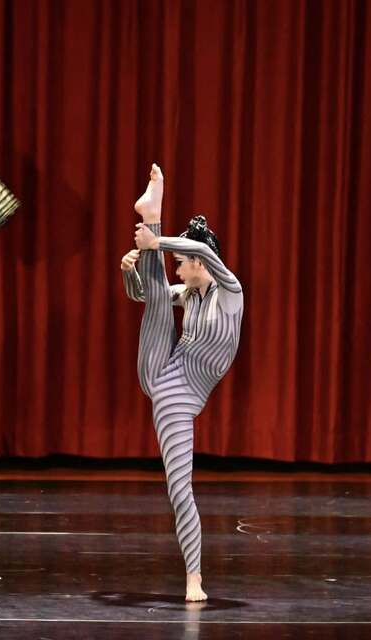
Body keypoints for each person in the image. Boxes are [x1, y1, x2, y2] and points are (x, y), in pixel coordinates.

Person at [121, 163, 244, 601]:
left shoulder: (231, 291)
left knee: (179, 488)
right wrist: (130, 269)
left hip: (182, 395)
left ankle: (194, 576)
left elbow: (205, 251)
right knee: (157, 296)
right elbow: (142, 295)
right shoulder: (189, 294)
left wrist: (157, 242)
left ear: (198, 262)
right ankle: (152, 210)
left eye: (179, 264)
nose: (176, 270)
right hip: (162, 373)